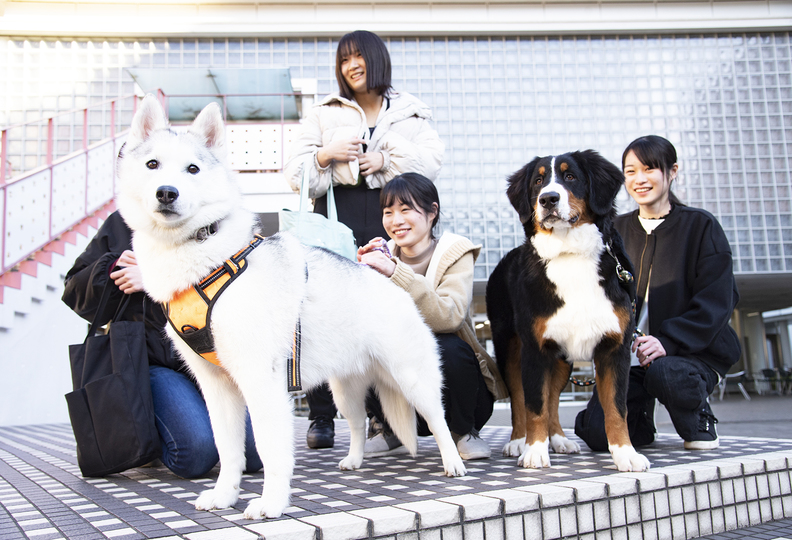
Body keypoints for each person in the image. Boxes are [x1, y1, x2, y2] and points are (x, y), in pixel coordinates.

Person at [284, 30, 445, 449]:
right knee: (321, 310)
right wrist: (326, 154)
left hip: (389, 218)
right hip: (335, 219)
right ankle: (321, 416)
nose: (352, 65)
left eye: (359, 56)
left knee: (382, 313)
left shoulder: (410, 112)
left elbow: (431, 164)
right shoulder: (323, 112)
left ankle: (382, 418)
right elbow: (294, 173)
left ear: (377, 59)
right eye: (344, 59)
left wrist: (385, 159)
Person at [62, 210, 263, 478]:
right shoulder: (127, 219)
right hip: (153, 360)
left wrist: (153, 278)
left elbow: (240, 282)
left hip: (208, 355)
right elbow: (74, 289)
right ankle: (151, 432)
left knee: (254, 454)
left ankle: (185, 418)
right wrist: (111, 268)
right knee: (195, 455)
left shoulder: (214, 215)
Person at [574, 135, 741, 451]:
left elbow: (718, 301)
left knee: (666, 373)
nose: (639, 179)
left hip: (687, 355)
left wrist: (668, 341)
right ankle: (639, 421)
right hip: (632, 359)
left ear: (672, 171)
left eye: (649, 169)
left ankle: (699, 417)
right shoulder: (614, 229)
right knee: (597, 434)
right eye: (631, 171)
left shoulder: (701, 226)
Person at [357, 172, 508, 459]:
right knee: (361, 347)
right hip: (403, 396)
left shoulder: (454, 252)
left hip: (457, 396)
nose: (396, 220)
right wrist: (360, 276)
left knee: (447, 346)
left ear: (431, 212)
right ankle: (388, 427)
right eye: (388, 212)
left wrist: (395, 272)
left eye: (405, 209)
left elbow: (449, 317)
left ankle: (463, 431)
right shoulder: (381, 255)